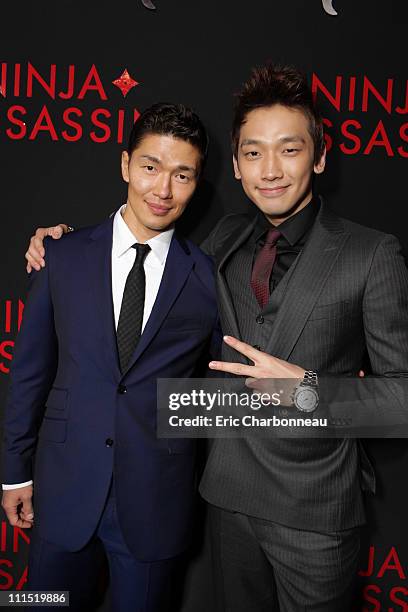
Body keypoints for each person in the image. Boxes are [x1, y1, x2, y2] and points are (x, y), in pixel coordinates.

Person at [23, 64, 408, 611]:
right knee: (38, 602)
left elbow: (402, 401)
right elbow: (138, 258)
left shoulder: (372, 254)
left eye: (289, 150)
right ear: (235, 165)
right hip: (222, 504)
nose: (269, 170)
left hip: (313, 513)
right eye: (253, 153)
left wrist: (308, 392)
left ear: (319, 158)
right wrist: (59, 243)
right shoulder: (222, 241)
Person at [2, 102, 219, 612]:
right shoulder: (61, 255)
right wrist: (15, 470)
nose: (163, 190)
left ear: (198, 181)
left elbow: (224, 388)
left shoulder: (208, 278)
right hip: (62, 491)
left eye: (182, 174)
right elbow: (30, 372)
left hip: (155, 502)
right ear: (125, 165)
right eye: (150, 167)